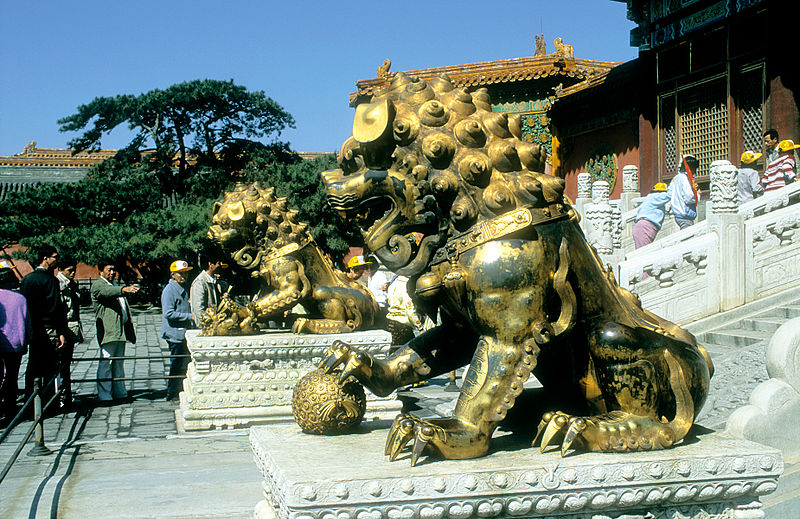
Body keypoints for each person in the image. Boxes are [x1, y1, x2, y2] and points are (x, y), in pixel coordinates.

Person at [19, 244, 67, 403]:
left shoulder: (27, 279)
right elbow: (55, 309)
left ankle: (30, 400)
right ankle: (48, 402)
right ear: (45, 258)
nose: (57, 260)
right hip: (48, 329)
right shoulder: (51, 280)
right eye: (55, 257)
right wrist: (61, 332)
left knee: (33, 366)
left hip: (32, 328)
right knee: (49, 366)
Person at [91, 261, 139, 401]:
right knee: (106, 362)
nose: (112, 272)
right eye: (109, 270)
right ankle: (104, 395)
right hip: (108, 331)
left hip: (120, 330)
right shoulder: (99, 285)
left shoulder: (114, 284)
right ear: (101, 271)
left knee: (118, 363)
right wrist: (124, 290)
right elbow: (107, 293)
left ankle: (120, 392)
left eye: (114, 270)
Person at [0, 263, 30, 426]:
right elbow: (27, 322)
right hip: (16, 344)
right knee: (12, 377)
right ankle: (11, 410)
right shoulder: (20, 299)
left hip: (1, 344)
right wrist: (26, 340)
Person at [161, 260, 194, 401]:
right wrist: (189, 316)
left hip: (183, 332)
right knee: (176, 363)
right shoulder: (169, 290)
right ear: (173, 274)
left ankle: (180, 388)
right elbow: (168, 313)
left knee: (184, 362)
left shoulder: (183, 288)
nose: (184, 276)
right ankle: (172, 391)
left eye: (185, 273)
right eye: (181, 273)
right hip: (175, 333)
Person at [56, 259, 83, 406]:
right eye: (69, 270)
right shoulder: (59, 284)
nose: (72, 273)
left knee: (66, 364)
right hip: (64, 328)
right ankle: (61, 395)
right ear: (61, 269)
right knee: (62, 364)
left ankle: (66, 394)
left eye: (74, 270)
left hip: (72, 326)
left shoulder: (71, 284)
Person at [190, 255, 229, 326]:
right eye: (218, 263)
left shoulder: (217, 282)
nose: (221, 265)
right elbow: (199, 309)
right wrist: (209, 324)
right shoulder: (200, 282)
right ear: (210, 264)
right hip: (206, 328)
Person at [632, 183, 669, 248]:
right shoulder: (655, 197)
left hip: (644, 227)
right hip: (645, 227)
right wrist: (674, 183)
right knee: (643, 253)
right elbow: (669, 195)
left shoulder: (652, 200)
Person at [667, 154, 699, 229]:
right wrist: (698, 194)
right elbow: (689, 197)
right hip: (684, 215)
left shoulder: (677, 177)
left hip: (677, 213)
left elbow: (670, 193)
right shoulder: (685, 178)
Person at [366, 256, 389, 326]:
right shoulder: (370, 276)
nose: (368, 268)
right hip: (373, 304)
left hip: (380, 304)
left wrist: (386, 285)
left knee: (380, 325)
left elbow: (385, 286)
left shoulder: (380, 275)